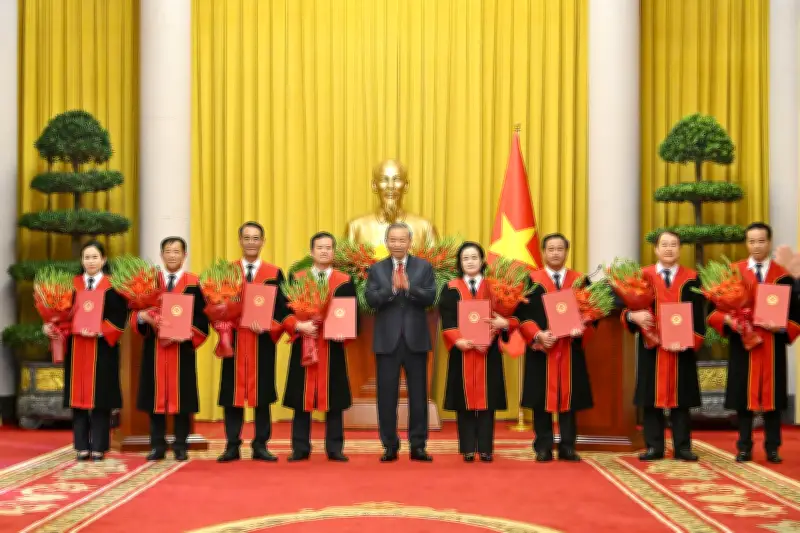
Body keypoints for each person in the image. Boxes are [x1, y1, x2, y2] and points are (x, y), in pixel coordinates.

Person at [707, 222, 800, 463]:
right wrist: (729, 320)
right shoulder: (733, 273)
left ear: (769, 242)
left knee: (773, 400)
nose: (756, 246)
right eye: (751, 241)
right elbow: (712, 311)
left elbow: (796, 315)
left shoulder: (783, 277)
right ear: (746, 243)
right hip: (743, 344)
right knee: (743, 398)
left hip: (772, 345)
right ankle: (744, 447)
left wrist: (781, 327)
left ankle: (773, 447)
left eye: (761, 241)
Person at [623, 231, 704, 461]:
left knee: (682, 399)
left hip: (681, 348)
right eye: (664, 245)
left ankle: (683, 447)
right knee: (651, 399)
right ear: (656, 249)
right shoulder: (642, 276)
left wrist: (689, 341)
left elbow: (699, 317)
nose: (669, 249)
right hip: (652, 347)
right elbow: (627, 309)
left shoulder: (692, 278)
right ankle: (654, 446)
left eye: (673, 244)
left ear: (680, 249)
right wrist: (632, 316)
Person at [45, 241, 128, 461]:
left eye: (95, 257)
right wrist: (52, 327)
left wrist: (100, 330)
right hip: (77, 348)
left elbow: (120, 317)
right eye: (86, 257)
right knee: (78, 398)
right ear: (81, 261)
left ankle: (99, 446)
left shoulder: (114, 286)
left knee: (101, 398)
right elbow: (62, 316)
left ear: (103, 259)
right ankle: (81, 446)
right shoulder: (72, 286)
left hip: (102, 349)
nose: (90, 261)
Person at [515, 234, 593, 462]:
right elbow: (521, 314)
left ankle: (568, 446)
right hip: (542, 349)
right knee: (541, 400)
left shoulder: (580, 281)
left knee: (570, 400)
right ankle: (543, 446)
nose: (556, 253)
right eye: (551, 249)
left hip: (570, 349)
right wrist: (538, 335)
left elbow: (592, 312)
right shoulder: (531, 281)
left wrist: (582, 327)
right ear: (543, 252)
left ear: (567, 252)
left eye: (560, 249)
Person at [217, 221, 289, 462]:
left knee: (263, 394)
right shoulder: (228, 272)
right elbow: (216, 305)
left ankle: (260, 444)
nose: (251, 242)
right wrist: (222, 323)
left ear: (263, 241)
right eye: (246, 238)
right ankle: (232, 445)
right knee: (232, 395)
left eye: (255, 238)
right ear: (240, 241)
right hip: (234, 341)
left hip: (262, 342)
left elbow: (283, 310)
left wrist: (269, 326)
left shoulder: (274, 273)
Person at [366, 222, 437, 462]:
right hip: (387, 342)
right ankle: (389, 445)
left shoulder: (423, 267)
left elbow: (431, 297)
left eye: (402, 240)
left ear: (410, 242)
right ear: (386, 242)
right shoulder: (376, 269)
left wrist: (410, 288)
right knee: (386, 397)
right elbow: (370, 299)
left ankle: (418, 445)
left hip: (416, 340)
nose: (397, 244)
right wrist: (392, 291)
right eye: (393, 240)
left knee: (419, 397)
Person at [134, 237, 209, 461]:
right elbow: (136, 314)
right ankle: (157, 445)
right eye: (168, 251)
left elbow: (202, 319)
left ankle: (180, 445)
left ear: (184, 255)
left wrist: (188, 333)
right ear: (161, 255)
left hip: (181, 350)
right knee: (154, 398)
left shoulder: (194, 283)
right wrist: (142, 317)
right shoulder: (148, 283)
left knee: (182, 400)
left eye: (177, 251)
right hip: (155, 348)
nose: (172, 255)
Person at [283, 232, 356, 462]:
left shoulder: (344, 281)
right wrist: (298, 325)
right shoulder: (298, 278)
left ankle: (335, 448)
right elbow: (283, 310)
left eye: (328, 248)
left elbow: (351, 314)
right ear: (312, 252)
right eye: (320, 248)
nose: (324, 251)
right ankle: (300, 447)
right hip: (304, 342)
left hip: (332, 346)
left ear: (334, 252)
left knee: (334, 397)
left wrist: (343, 332)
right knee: (300, 397)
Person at [439, 242, 511, 462]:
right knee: (464, 401)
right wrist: (458, 340)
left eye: (474, 257)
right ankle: (468, 448)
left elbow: (502, 317)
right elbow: (447, 319)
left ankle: (486, 448)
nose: (470, 262)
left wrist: (500, 327)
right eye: (465, 258)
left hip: (489, 351)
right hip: (462, 351)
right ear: (460, 263)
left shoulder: (495, 288)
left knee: (488, 401)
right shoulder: (451, 288)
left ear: (482, 261)